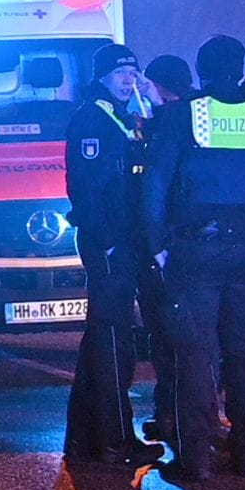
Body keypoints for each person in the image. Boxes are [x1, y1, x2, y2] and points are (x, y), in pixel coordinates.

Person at [141, 34, 245, 481]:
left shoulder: (180, 116)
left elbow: (156, 186)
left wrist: (157, 246)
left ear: (201, 69)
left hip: (195, 250)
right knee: (243, 353)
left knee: (195, 355)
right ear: (240, 67)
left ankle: (197, 459)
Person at [62, 43, 166, 466]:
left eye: (133, 71)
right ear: (102, 77)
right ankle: (115, 438)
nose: (128, 79)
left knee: (103, 339)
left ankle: (87, 436)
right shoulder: (93, 119)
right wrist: (106, 240)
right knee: (111, 341)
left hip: (123, 241)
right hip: (111, 243)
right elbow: (86, 189)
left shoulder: (123, 116)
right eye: (120, 72)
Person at [135, 53, 192, 444]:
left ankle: (174, 415)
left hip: (171, 247)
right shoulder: (201, 118)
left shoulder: (165, 125)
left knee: (168, 336)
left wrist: (154, 244)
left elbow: (155, 189)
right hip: (203, 241)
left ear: (159, 86)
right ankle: (188, 416)